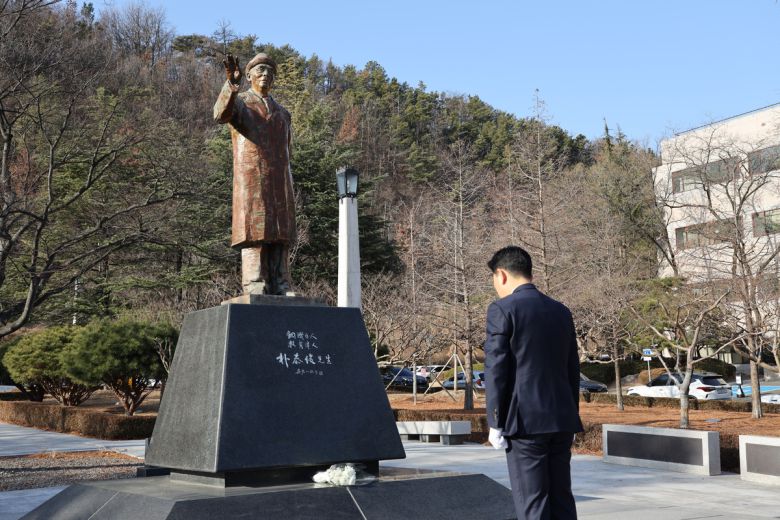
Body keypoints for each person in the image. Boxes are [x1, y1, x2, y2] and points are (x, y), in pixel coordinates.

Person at [483, 246, 582, 520]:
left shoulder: (502, 310)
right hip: (561, 420)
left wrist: (495, 420)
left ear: (501, 275)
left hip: (525, 423)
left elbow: (496, 370)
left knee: (532, 503)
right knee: (562, 500)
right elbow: (572, 368)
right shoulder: (561, 311)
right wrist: (572, 413)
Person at [214, 53, 296, 295]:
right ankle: (254, 282)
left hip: (280, 178)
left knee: (280, 231)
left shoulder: (283, 113)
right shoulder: (241, 103)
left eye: (270, 71)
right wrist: (232, 84)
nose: (265, 74)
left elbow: (288, 147)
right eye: (259, 70)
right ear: (249, 75)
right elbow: (220, 114)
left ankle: (282, 283)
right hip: (250, 175)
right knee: (254, 230)